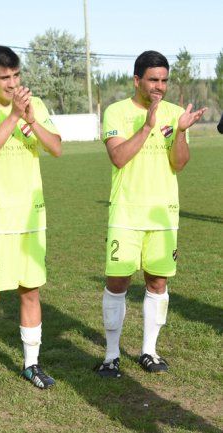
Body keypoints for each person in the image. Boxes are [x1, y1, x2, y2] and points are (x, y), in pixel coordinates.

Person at [95, 51, 206, 378]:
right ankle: (111, 355)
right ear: (137, 80)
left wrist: (181, 131)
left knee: (158, 282)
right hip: (126, 213)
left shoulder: (176, 114)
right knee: (117, 282)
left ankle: (149, 351)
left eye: (164, 80)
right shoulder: (116, 111)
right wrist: (147, 126)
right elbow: (118, 157)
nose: (159, 86)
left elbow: (179, 163)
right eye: (153, 80)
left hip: (162, 216)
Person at [0, 46, 62, 399]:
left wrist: (31, 119)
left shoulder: (36, 106)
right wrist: (13, 117)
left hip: (31, 216)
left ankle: (31, 364)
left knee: (30, 291)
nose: (12, 83)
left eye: (16, 76)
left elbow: (56, 149)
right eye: (5, 77)